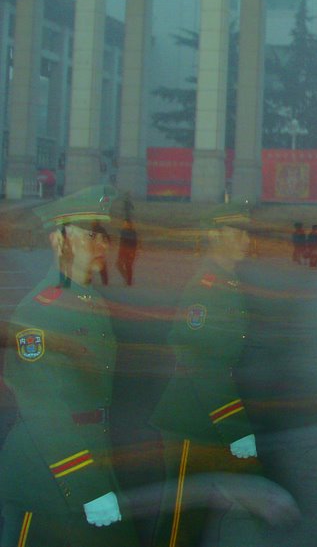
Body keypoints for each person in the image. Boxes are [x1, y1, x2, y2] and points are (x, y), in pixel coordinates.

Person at [0, 186, 140, 547]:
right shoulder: (40, 310)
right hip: (48, 475)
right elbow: (45, 409)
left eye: (104, 235)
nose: (103, 245)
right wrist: (87, 489)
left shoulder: (89, 300)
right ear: (59, 241)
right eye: (90, 235)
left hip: (90, 455)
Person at [149, 203, 266, 547]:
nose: (245, 239)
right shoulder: (208, 287)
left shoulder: (227, 282)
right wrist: (237, 431)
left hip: (210, 420)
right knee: (180, 526)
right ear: (215, 235)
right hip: (191, 422)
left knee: (199, 518)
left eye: (247, 231)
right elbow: (203, 365)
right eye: (237, 232)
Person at [117, 218, 139, 286]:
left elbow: (134, 243)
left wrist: (132, 252)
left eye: (127, 224)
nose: (125, 225)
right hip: (123, 251)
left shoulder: (132, 232)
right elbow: (121, 242)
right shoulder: (123, 231)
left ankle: (129, 281)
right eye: (125, 224)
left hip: (129, 251)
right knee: (119, 265)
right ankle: (127, 278)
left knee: (128, 266)